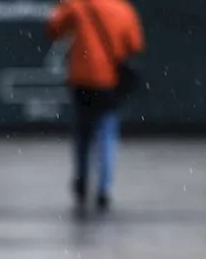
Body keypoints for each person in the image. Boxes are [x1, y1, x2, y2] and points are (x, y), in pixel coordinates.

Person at [48, 0, 144, 212]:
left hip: (82, 80)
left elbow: (54, 28)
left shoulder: (77, 5)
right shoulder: (123, 9)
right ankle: (104, 188)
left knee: (83, 133)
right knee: (107, 133)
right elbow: (135, 44)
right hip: (109, 81)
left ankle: (82, 181)